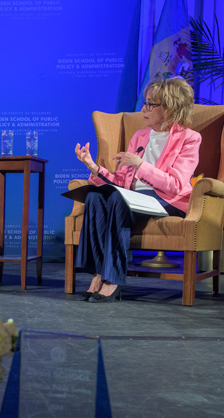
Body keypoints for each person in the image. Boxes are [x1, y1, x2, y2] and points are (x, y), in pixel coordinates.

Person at [73, 76, 199, 302]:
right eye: (145, 102)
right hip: (133, 196)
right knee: (94, 197)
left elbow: (175, 185)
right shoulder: (140, 136)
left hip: (167, 200)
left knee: (119, 200)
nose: (144, 109)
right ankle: (99, 273)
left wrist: (141, 164)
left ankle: (114, 279)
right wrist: (94, 167)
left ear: (170, 109)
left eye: (151, 104)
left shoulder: (189, 139)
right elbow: (121, 182)